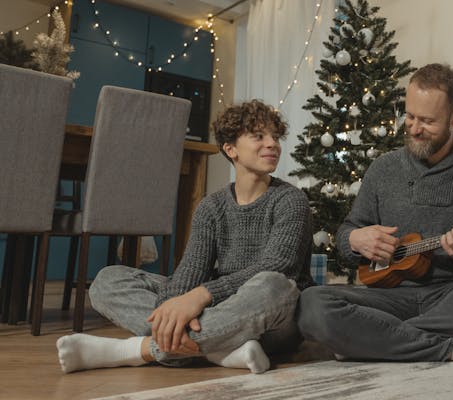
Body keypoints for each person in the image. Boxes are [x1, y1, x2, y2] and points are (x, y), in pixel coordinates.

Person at [298, 63, 453, 363]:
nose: (414, 128)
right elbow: (347, 234)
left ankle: (373, 339)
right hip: (386, 298)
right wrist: (356, 239)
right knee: (311, 304)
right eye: (409, 116)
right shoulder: (383, 169)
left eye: (427, 120)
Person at [57, 99, 314, 374]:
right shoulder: (212, 206)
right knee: (107, 280)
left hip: (273, 317)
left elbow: (278, 266)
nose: (272, 143)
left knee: (273, 284)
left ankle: (136, 350)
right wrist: (175, 304)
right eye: (258, 136)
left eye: (275, 136)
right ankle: (223, 350)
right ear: (231, 149)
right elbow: (191, 270)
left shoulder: (291, 200)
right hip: (224, 310)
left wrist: (201, 296)